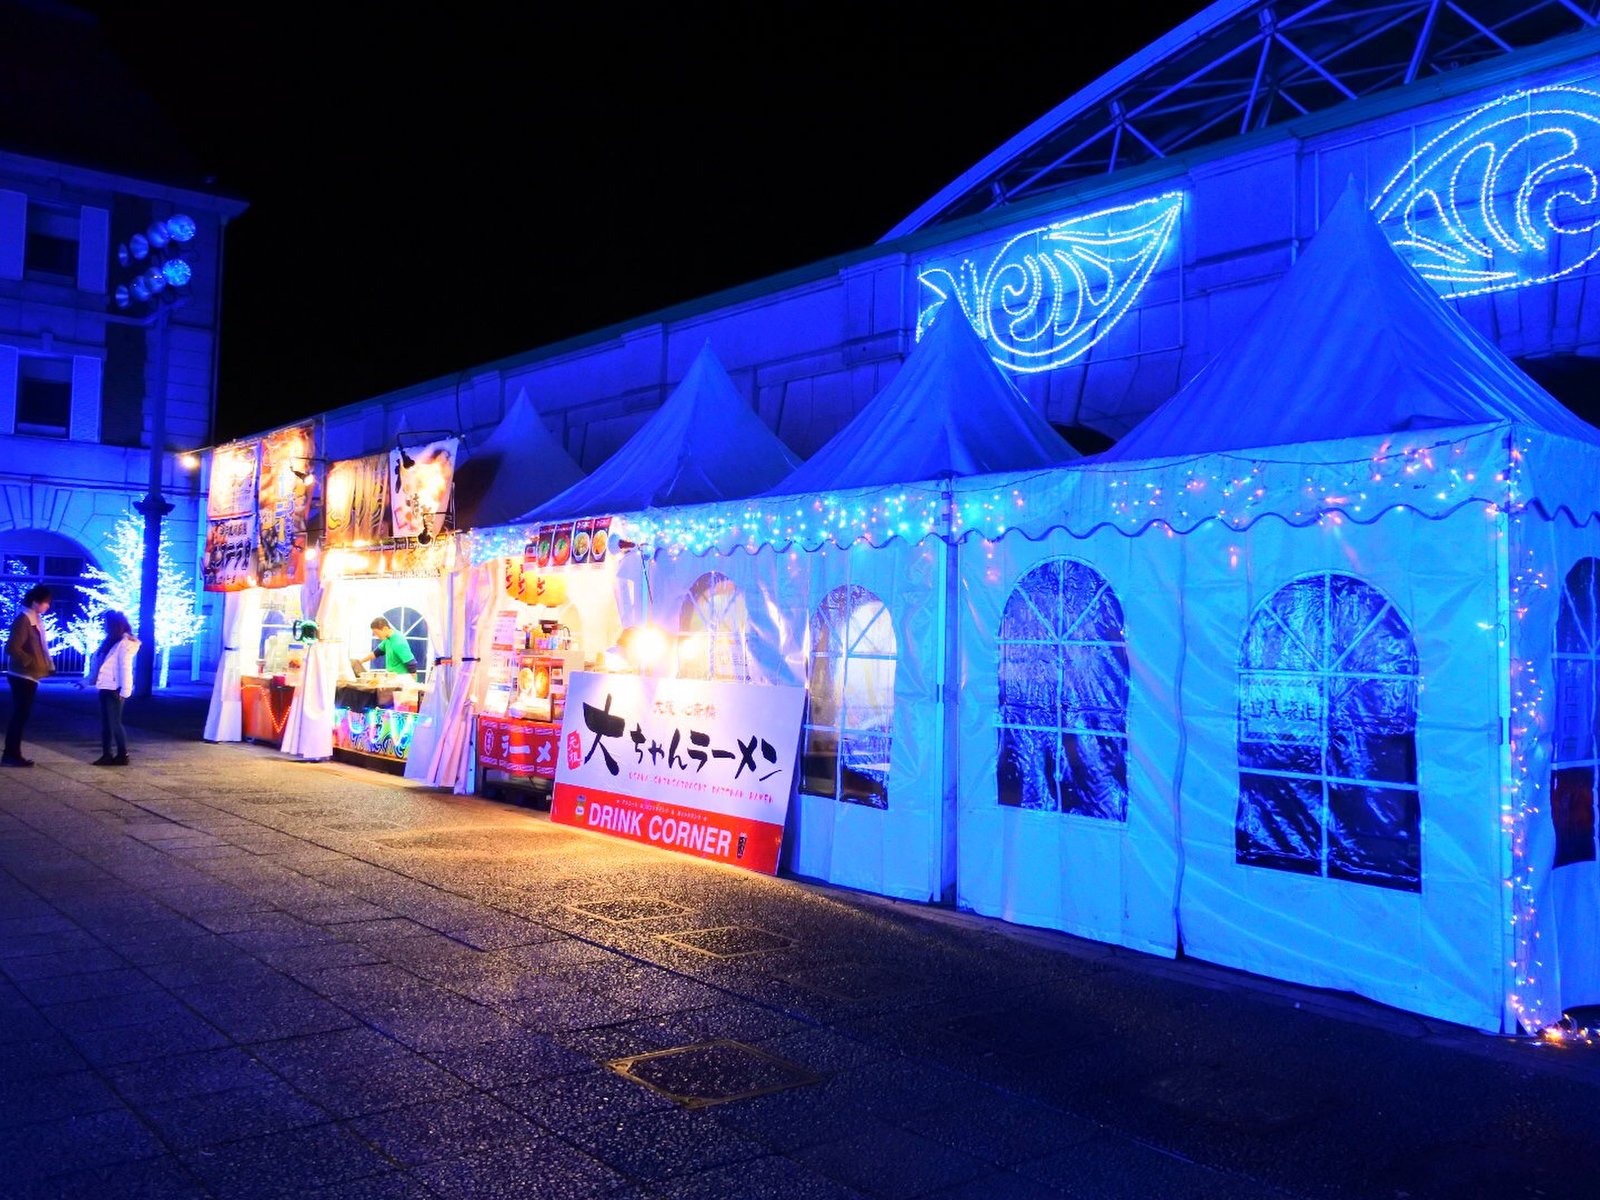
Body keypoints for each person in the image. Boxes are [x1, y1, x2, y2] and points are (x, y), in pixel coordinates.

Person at [4, 585, 54, 767]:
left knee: (22, 715)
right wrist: (30, 662)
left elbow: (41, 646)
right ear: (35, 602)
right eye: (46, 603)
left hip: (29, 676)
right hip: (21, 675)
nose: (47, 606)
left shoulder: (36, 619)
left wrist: (47, 664)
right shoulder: (24, 619)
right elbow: (12, 647)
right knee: (20, 715)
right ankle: (11, 754)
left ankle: (12, 753)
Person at [89, 611, 138, 766]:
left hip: (115, 688)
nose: (104, 626)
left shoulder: (124, 643)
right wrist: (87, 681)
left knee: (114, 722)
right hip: (106, 686)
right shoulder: (111, 641)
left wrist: (125, 691)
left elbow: (125, 667)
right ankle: (107, 754)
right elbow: (99, 663)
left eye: (106, 623)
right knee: (107, 723)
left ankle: (122, 755)